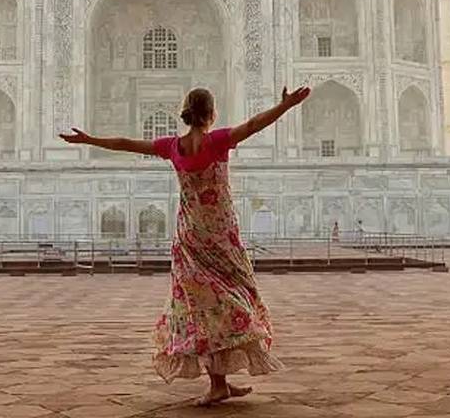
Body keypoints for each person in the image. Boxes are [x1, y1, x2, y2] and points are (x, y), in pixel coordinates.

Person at [60, 85, 311, 406]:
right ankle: (219, 380)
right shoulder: (218, 141)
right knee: (233, 298)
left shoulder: (173, 147)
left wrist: (89, 140)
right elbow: (253, 125)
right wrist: (285, 106)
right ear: (211, 113)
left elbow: (125, 144)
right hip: (221, 235)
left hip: (189, 235)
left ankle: (219, 381)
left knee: (200, 307)